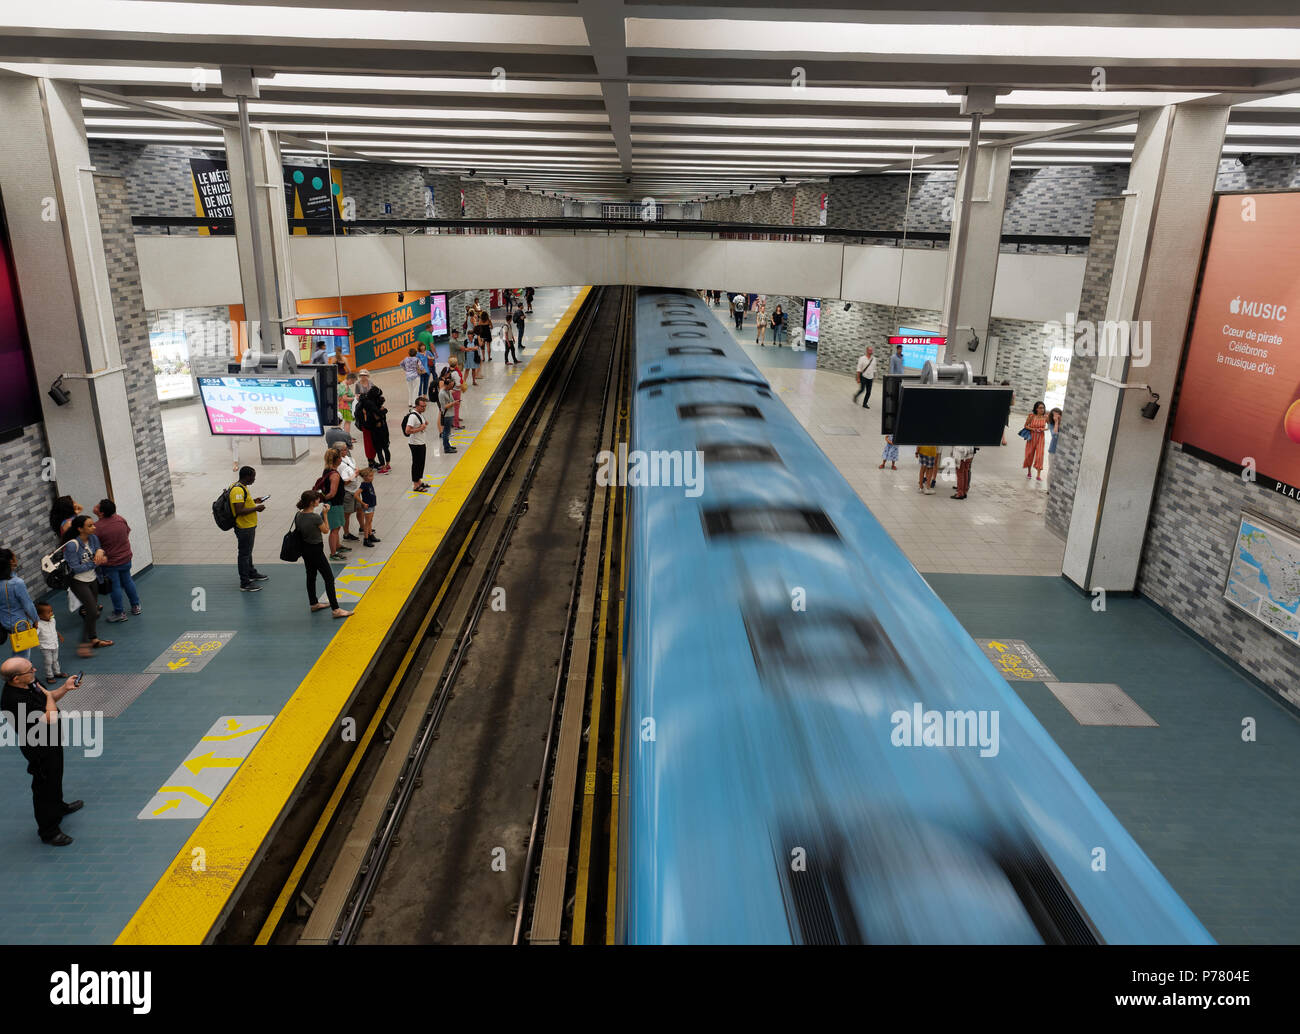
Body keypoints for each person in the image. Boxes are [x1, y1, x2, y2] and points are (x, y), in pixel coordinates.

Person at [0, 656, 83, 845]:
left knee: (56, 775)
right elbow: (51, 715)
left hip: (51, 740)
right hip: (37, 747)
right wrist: (48, 697)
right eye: (30, 670)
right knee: (44, 787)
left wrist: (65, 688)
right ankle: (49, 831)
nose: (35, 671)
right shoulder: (13, 700)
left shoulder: (30, 681)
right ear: (16, 679)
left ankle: (59, 807)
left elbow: (50, 697)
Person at [293, 491, 352, 619]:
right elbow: (326, 530)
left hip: (305, 549)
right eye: (317, 500)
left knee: (311, 575)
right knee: (329, 578)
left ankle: (313, 603)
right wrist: (325, 514)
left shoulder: (298, 515)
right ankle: (336, 609)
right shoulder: (315, 517)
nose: (319, 501)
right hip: (316, 550)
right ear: (311, 502)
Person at [62, 515, 111, 656]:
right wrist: (96, 562)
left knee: (93, 611)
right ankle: (83, 644)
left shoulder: (93, 538)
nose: (94, 527)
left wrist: (101, 551)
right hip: (78, 581)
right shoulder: (72, 545)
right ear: (80, 529)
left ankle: (93, 639)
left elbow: (98, 549)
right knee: (92, 611)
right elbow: (75, 568)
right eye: (90, 526)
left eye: (93, 524)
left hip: (93, 578)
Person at [92, 499, 141, 623]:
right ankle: (135, 606)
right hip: (125, 558)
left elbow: (95, 547)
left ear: (101, 513)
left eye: (97, 506)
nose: (95, 507)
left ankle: (119, 612)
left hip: (110, 563)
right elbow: (127, 533)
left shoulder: (97, 528)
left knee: (115, 587)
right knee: (128, 581)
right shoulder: (120, 519)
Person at [230, 465, 269, 592]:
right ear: (247, 477)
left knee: (248, 552)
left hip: (248, 525)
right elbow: (239, 510)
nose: (254, 479)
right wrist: (256, 508)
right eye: (253, 476)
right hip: (244, 526)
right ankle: (245, 583)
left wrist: (254, 501)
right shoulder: (237, 491)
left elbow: (243, 503)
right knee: (244, 554)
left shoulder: (242, 487)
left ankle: (251, 572)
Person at [1, 548, 39, 660]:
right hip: (20, 622)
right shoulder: (16, 583)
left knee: (18, 651)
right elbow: (28, 605)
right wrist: (35, 619)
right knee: (23, 655)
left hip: (4, 621)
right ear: (10, 562)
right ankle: (20, 675)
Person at [318, 447, 349, 560]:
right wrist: (324, 499)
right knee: (334, 530)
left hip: (332, 504)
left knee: (337, 527)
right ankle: (333, 553)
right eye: (340, 457)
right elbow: (332, 493)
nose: (341, 459)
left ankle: (338, 546)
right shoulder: (335, 475)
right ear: (336, 460)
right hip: (334, 505)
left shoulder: (327, 470)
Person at [357, 385, 392, 474]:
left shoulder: (369, 406)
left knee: (378, 449)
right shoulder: (375, 405)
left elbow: (373, 417)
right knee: (385, 447)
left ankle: (382, 466)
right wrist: (385, 411)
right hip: (383, 429)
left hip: (375, 430)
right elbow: (380, 413)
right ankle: (386, 464)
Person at [403, 396, 432, 493]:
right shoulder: (413, 416)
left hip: (421, 442)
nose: (424, 408)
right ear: (417, 406)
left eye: (425, 406)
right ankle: (415, 485)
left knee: (421, 463)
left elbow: (422, 423)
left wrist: (423, 424)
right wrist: (420, 428)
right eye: (422, 406)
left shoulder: (419, 414)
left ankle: (419, 481)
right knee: (416, 464)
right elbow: (407, 431)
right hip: (415, 444)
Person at [35, 602, 68, 682]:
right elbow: (34, 635)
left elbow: (53, 629)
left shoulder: (53, 620)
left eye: (51, 611)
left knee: (55, 660)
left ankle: (57, 673)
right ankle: (49, 676)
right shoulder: (38, 625)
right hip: (45, 646)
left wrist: (59, 635)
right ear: (40, 615)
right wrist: (34, 626)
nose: (51, 613)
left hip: (55, 644)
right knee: (48, 661)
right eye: (48, 612)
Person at [336, 441, 361, 543]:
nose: (347, 450)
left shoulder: (348, 458)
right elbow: (344, 483)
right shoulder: (339, 465)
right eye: (345, 449)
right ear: (338, 451)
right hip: (348, 492)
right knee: (347, 513)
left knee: (360, 509)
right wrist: (355, 475)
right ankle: (346, 533)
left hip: (356, 490)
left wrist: (357, 471)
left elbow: (354, 467)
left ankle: (363, 527)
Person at [1024, 401, 1048, 481]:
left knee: (1040, 456)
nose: (1042, 409)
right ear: (1036, 409)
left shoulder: (1045, 417)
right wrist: (1033, 429)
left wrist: (1043, 429)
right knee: (1029, 454)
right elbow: (1025, 426)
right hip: (1031, 437)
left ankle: (1038, 475)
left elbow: (1049, 427)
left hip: (1041, 438)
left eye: (1043, 408)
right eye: (1040, 408)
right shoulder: (1031, 416)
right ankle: (1029, 472)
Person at [358, 467, 380, 547]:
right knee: (367, 523)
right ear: (365, 477)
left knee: (370, 521)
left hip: (372, 504)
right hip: (367, 506)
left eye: (372, 476)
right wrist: (363, 503)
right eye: (370, 476)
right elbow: (356, 494)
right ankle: (366, 539)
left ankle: (370, 535)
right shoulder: (364, 484)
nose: (372, 477)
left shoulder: (369, 483)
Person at [438, 373, 458, 455]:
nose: (452, 387)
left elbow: (451, 400)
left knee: (448, 432)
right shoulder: (442, 393)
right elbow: (444, 406)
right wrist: (454, 403)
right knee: (446, 432)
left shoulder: (448, 391)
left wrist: (454, 402)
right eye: (451, 385)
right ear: (447, 385)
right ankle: (446, 448)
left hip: (450, 414)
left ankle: (448, 445)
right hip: (446, 415)